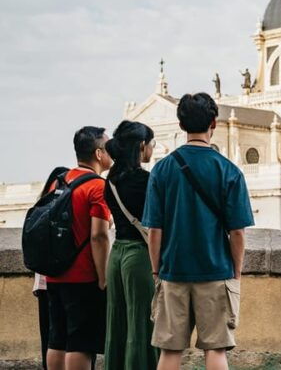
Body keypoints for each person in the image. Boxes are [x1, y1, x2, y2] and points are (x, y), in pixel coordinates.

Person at [143, 93, 254, 370]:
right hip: (216, 271)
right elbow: (237, 233)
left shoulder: (162, 169)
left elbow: (154, 230)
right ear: (213, 122)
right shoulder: (229, 171)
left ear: (181, 125)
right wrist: (235, 273)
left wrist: (157, 270)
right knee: (216, 351)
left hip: (173, 271)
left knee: (169, 352)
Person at [46, 127, 112, 370]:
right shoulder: (98, 187)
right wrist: (103, 277)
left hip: (53, 274)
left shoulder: (58, 181)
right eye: (108, 147)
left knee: (57, 338)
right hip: (82, 276)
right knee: (80, 341)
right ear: (98, 153)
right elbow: (99, 236)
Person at [103, 121, 159, 370]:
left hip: (116, 255)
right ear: (141, 146)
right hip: (139, 256)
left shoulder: (110, 180)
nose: (153, 148)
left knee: (117, 325)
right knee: (141, 325)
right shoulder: (147, 180)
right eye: (151, 143)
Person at [32, 166, 70, 370]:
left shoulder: (40, 207)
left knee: (48, 335)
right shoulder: (64, 203)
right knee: (68, 337)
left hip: (42, 280)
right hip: (64, 279)